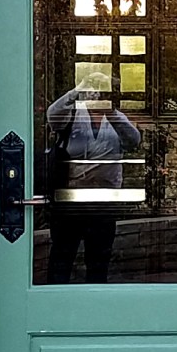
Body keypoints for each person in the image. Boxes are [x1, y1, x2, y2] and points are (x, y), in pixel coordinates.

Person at [44, 72, 142, 283]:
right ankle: (54, 302)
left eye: (103, 92)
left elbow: (134, 140)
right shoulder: (72, 116)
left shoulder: (115, 118)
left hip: (104, 202)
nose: (98, 97)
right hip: (71, 201)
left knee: (99, 260)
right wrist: (76, 91)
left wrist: (112, 113)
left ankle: (96, 302)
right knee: (62, 256)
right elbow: (52, 114)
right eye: (95, 92)